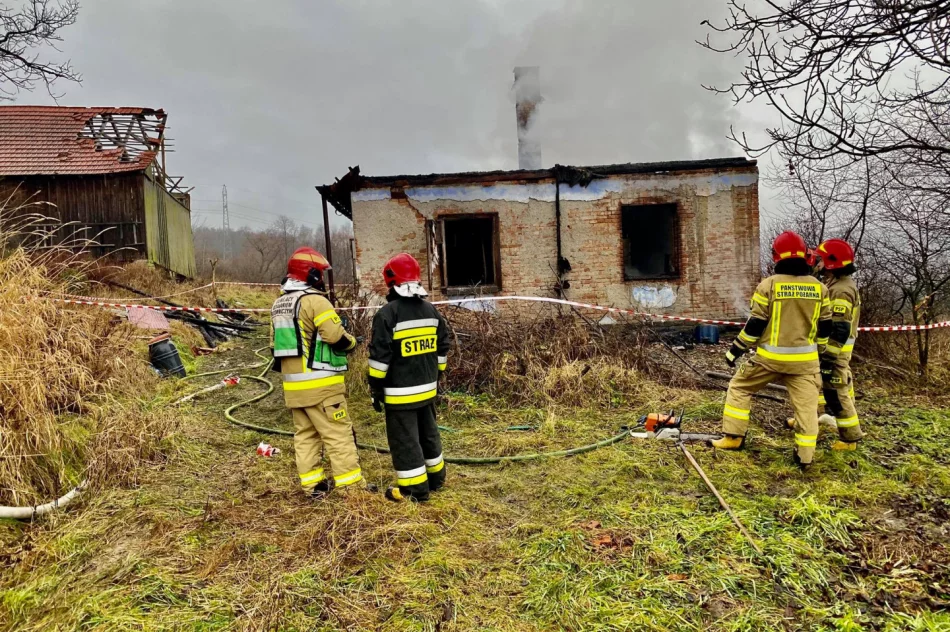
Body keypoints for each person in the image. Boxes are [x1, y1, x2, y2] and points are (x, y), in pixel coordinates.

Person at [713, 231, 834, 469]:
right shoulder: (820, 289)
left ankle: (733, 438)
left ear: (777, 256)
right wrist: (820, 352)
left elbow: (755, 324)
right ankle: (805, 457)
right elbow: (826, 326)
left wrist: (735, 349)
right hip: (806, 364)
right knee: (807, 409)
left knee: (739, 387)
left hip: (768, 360)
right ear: (804, 256)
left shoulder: (768, 285)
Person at [270, 247, 365, 497]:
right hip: (320, 386)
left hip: (294, 388)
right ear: (311, 275)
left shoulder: (279, 304)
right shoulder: (316, 301)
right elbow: (334, 336)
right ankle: (351, 488)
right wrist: (353, 342)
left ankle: (313, 487)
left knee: (306, 436)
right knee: (338, 434)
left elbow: (274, 346)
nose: (321, 278)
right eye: (320, 273)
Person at [368, 253, 450, 502]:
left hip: (400, 393)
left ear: (390, 281)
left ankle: (414, 490)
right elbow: (442, 348)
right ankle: (436, 479)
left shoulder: (387, 315)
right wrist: (437, 375)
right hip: (428, 390)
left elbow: (379, 360)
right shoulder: (431, 311)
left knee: (405, 440)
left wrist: (376, 389)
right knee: (429, 434)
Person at [815, 238, 864, 450]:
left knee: (837, 392)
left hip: (835, 352)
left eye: (821, 260)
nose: (817, 263)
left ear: (831, 263)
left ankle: (850, 438)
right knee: (833, 388)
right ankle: (813, 420)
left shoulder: (841, 290)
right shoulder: (837, 284)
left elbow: (840, 329)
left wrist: (828, 358)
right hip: (836, 352)